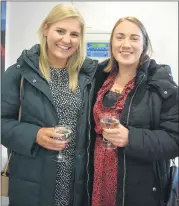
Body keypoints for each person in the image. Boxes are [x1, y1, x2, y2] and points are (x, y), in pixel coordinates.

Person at [1, 3, 98, 206]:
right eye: (60, 31)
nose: (66, 40)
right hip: (33, 184)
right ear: (46, 29)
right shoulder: (19, 74)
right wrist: (35, 135)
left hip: (76, 184)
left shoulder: (87, 76)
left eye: (74, 34)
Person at [90, 16, 179, 206]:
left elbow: (175, 140)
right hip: (97, 180)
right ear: (112, 43)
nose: (126, 44)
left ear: (144, 45)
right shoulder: (98, 78)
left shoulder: (161, 84)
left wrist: (131, 138)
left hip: (139, 188)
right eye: (120, 37)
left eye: (134, 38)